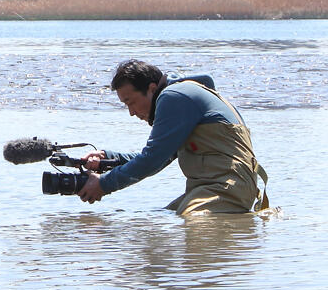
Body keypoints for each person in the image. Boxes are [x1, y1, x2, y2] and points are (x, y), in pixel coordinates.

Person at [77, 59, 269, 215]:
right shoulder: (183, 95)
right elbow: (160, 156)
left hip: (225, 188)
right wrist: (108, 158)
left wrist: (103, 184)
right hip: (218, 188)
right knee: (161, 217)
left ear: (152, 89)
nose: (131, 112)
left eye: (131, 102)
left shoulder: (173, 97)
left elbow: (152, 159)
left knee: (197, 225)